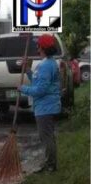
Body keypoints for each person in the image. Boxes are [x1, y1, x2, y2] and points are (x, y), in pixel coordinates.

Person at [21, 35, 62, 173]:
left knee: (46, 137)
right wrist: (27, 70)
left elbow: (40, 90)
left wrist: (23, 89)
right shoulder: (47, 63)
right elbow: (38, 82)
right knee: (47, 136)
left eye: (38, 46)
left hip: (46, 106)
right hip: (44, 106)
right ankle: (49, 163)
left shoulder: (46, 65)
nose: (37, 49)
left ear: (42, 48)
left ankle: (50, 166)